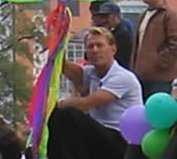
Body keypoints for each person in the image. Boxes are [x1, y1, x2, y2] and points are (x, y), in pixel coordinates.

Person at [47, 27, 143, 159]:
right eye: (90, 47)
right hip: (100, 137)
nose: (95, 50)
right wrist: (56, 48)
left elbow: (85, 104)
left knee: (67, 114)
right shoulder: (91, 72)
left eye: (100, 45)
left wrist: (56, 104)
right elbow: (65, 67)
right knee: (56, 117)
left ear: (113, 50)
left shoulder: (122, 77)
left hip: (121, 142)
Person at [131, 0, 177, 101]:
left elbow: (175, 44)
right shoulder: (142, 16)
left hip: (160, 80)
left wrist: (157, 62)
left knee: (158, 117)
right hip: (140, 77)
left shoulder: (169, 15)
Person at [92, 1, 133, 69]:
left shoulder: (123, 35)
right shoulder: (105, 32)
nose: (103, 20)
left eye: (106, 17)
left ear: (116, 17)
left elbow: (121, 59)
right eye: (102, 17)